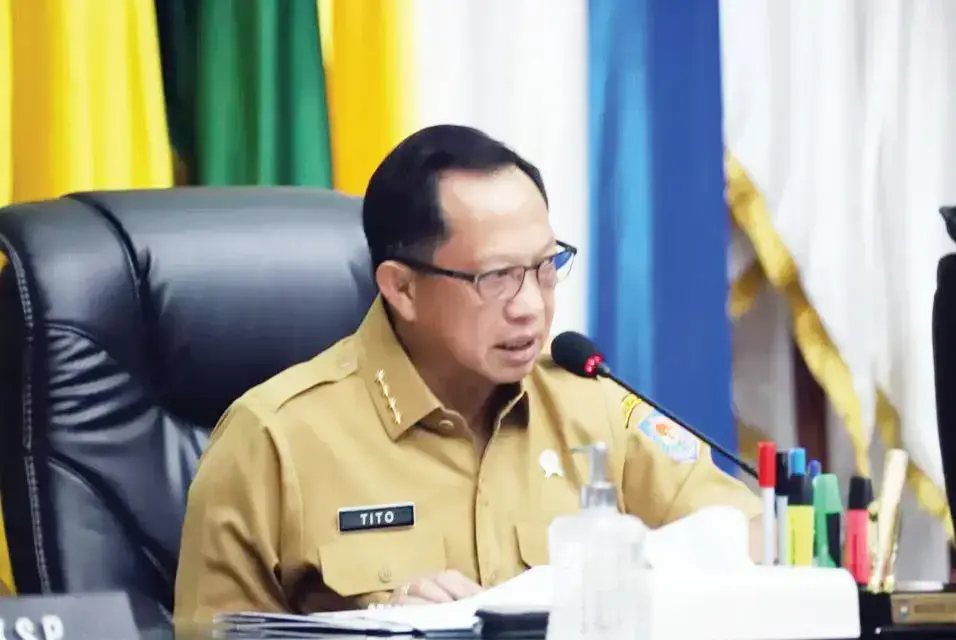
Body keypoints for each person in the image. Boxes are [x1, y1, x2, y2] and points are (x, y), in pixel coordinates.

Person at [173, 125, 762, 623]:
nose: (530, 306)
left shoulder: (596, 407)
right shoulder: (272, 441)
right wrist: (383, 627)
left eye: (545, 266)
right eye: (496, 278)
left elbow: (748, 543)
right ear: (401, 288)